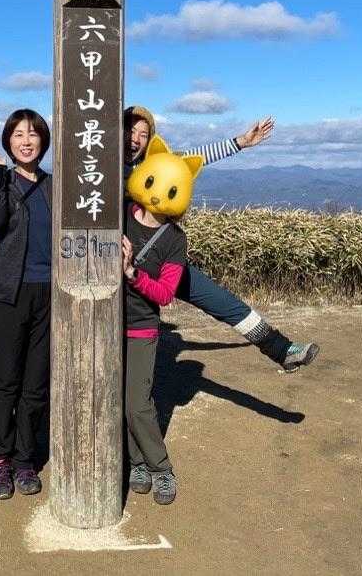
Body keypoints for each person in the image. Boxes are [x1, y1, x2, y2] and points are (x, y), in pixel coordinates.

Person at [124, 105, 320, 371]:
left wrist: (241, 142)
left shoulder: (155, 164)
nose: (135, 138)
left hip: (160, 253)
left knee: (222, 301)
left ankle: (281, 349)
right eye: (130, 130)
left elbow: (195, 158)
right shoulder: (100, 170)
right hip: (122, 259)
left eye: (144, 134)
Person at [0, 110, 53, 500]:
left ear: (43, 141)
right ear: (8, 141)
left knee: (36, 383)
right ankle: (0, 460)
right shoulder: (0, 181)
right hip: (7, 294)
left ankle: (25, 459)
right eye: (18, 134)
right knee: (5, 380)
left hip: (49, 293)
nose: (26, 141)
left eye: (33, 134)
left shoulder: (54, 186)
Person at [120, 133, 201, 505]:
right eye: (153, 181)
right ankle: (136, 462)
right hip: (104, 323)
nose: (156, 196)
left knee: (137, 403)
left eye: (169, 190)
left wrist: (132, 274)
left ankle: (161, 467)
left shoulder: (174, 239)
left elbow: (166, 293)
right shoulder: (120, 213)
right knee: (117, 400)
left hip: (140, 327)